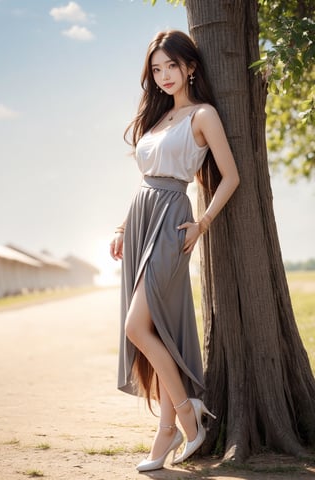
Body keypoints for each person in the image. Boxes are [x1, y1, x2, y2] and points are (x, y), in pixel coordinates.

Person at [109, 30, 239, 472]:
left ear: (191, 67)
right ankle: (166, 432)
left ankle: (187, 413)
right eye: (156, 69)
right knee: (157, 328)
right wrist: (123, 227)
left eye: (171, 66)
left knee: (136, 327)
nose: (164, 76)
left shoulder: (203, 115)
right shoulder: (157, 118)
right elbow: (144, 179)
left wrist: (201, 224)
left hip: (171, 220)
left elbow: (231, 177)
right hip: (141, 218)